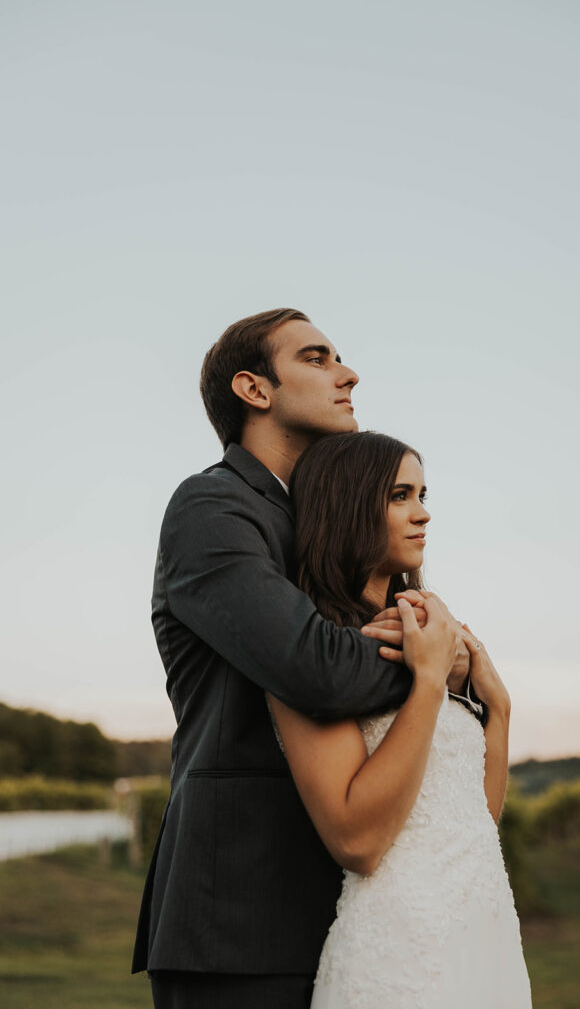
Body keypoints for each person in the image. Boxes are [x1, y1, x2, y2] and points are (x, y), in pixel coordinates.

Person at [132, 308, 471, 1008]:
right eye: (316, 358)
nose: (347, 374)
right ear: (254, 390)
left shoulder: (329, 529)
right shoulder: (212, 509)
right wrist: (431, 662)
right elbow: (313, 666)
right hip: (241, 917)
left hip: (359, 917)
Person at [268, 430, 533, 1009]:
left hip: (484, 935)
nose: (424, 513)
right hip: (400, 947)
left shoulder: (432, 636)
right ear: (349, 505)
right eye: (400, 496)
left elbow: (474, 822)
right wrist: (431, 681)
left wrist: (500, 709)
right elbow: (359, 843)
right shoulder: (314, 653)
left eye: (422, 493)